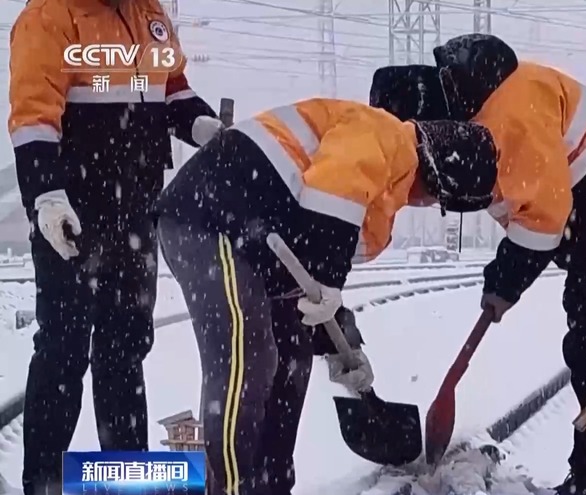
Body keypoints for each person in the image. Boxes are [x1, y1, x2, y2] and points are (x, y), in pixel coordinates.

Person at [371, 34, 586, 495]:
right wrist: (502, 279)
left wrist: (504, 281)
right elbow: (529, 209)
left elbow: (543, 219)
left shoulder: (506, 118)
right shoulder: (482, 110)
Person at [154, 98, 498, 495]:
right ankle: (232, 487)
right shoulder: (384, 136)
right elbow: (331, 200)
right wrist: (329, 282)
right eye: (440, 199)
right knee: (249, 357)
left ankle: (272, 484)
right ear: (439, 178)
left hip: (257, 243)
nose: (430, 204)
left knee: (293, 357)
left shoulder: (382, 191)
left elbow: (311, 268)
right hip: (207, 220)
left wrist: (343, 342)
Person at [7, 0, 222, 493]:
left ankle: (126, 477)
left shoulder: (147, 13)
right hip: (73, 212)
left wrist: (199, 124)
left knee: (124, 350)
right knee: (63, 349)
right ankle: (44, 482)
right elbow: (34, 113)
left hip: (136, 208)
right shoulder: (50, 16)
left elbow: (170, 90)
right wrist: (47, 197)